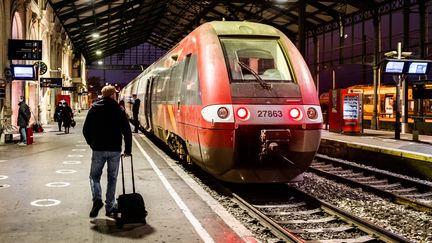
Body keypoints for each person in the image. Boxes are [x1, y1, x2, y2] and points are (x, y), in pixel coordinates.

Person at [83, 85, 132, 218]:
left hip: (98, 148)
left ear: (103, 95)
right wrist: (128, 149)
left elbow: (86, 129)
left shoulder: (94, 108)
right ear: (112, 95)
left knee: (94, 176)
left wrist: (92, 144)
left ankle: (97, 199)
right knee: (112, 178)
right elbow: (127, 131)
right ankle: (110, 206)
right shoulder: (119, 109)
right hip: (114, 149)